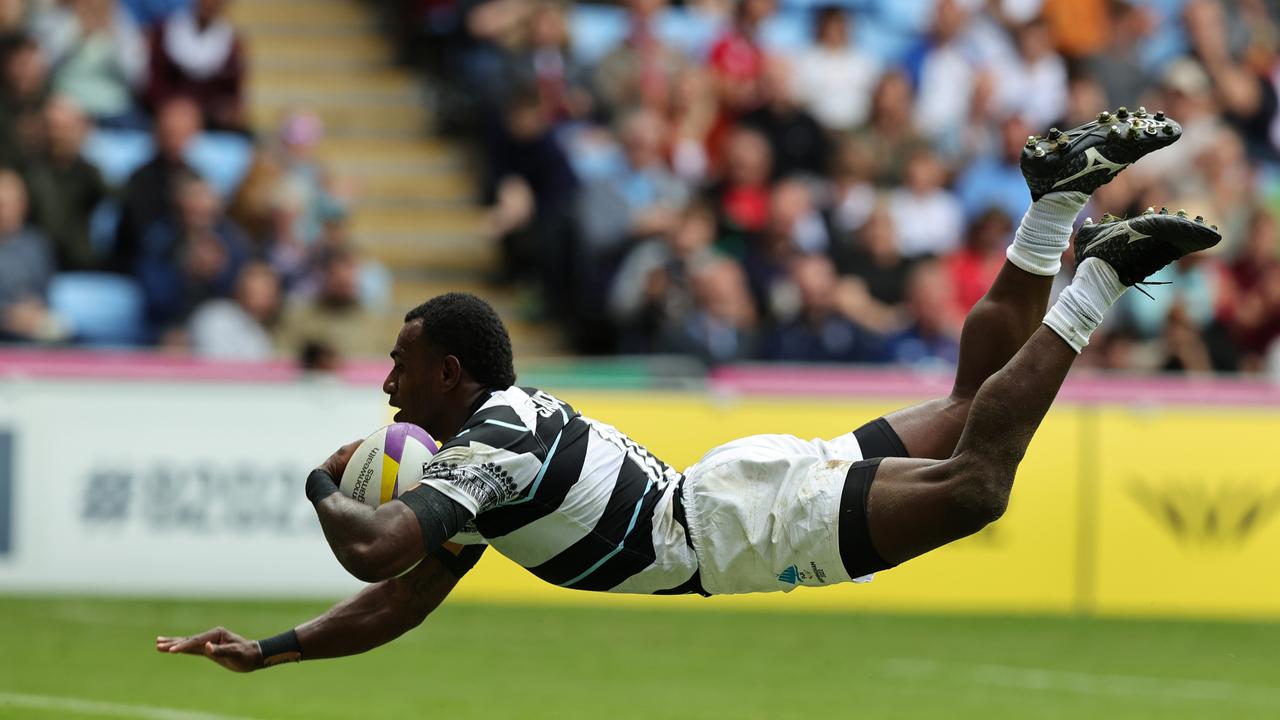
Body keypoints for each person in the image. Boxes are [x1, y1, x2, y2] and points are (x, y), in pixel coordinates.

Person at [157, 109, 1222, 672]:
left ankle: (1095, 279)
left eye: (399, 364)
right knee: (966, 401)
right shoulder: (487, 460)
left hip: (736, 529)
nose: (385, 384)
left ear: (451, 371)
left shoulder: (484, 447)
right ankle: (1053, 207)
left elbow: (379, 547)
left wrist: (321, 482)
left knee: (975, 485)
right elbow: (399, 595)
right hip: (723, 496)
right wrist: (278, 648)